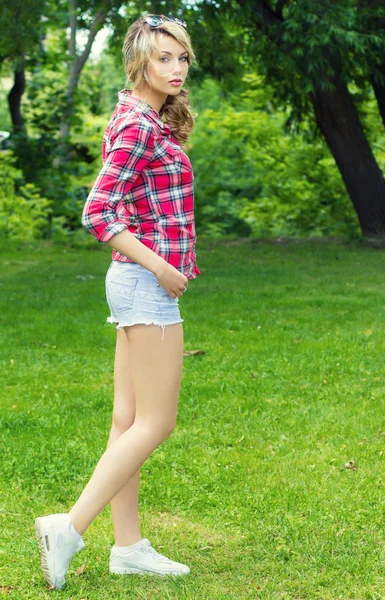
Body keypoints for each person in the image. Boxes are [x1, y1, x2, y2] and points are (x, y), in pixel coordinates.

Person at [34, 13, 201, 590]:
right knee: (156, 422)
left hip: (131, 281)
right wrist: (161, 267)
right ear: (140, 62)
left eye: (181, 58)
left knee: (126, 419)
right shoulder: (137, 124)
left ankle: (128, 547)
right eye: (164, 58)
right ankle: (70, 527)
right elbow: (97, 212)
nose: (176, 69)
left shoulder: (142, 116)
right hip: (145, 282)